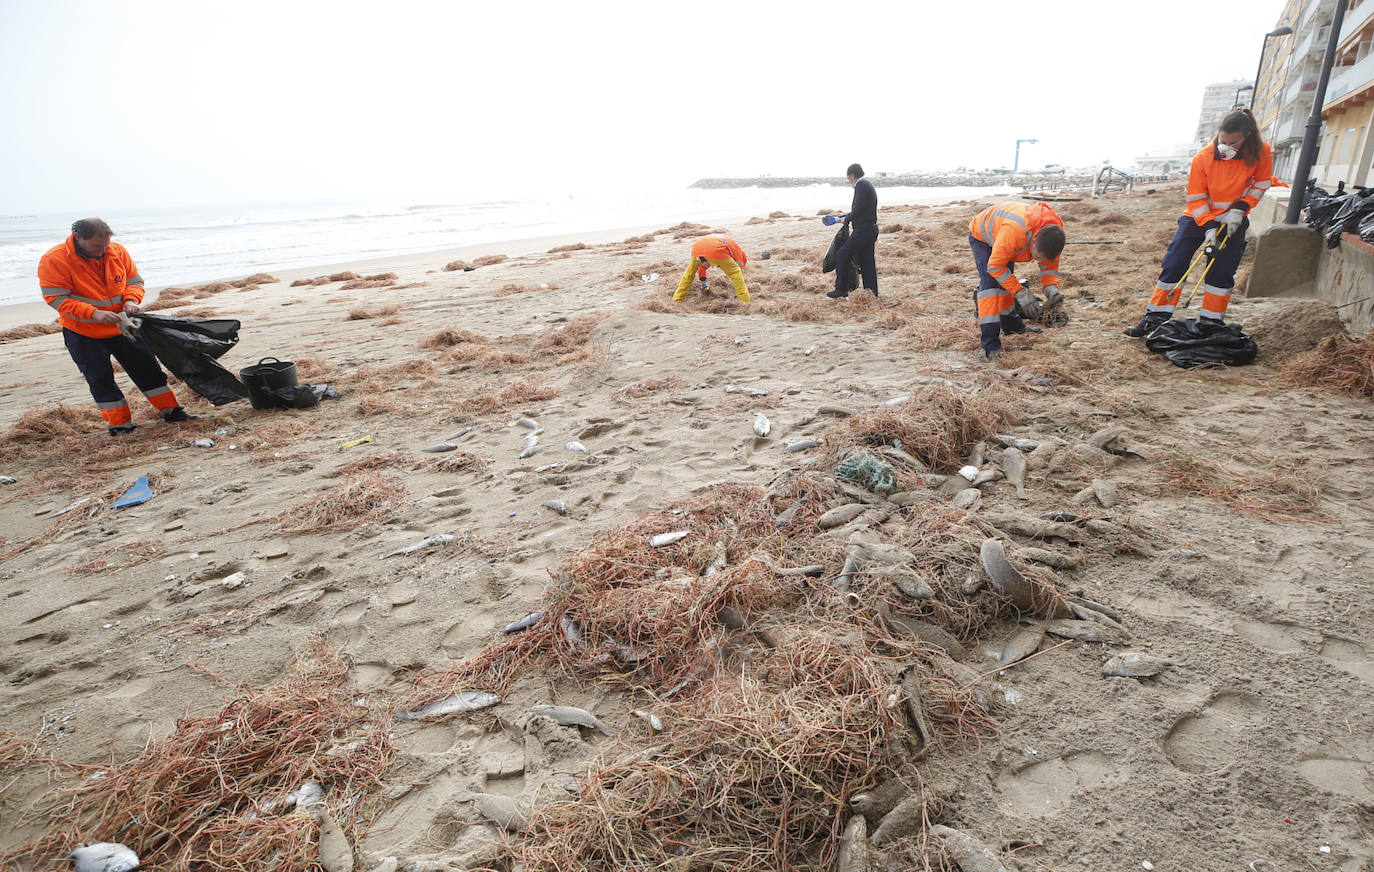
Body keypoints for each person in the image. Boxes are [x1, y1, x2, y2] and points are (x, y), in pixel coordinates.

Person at [38, 218, 195, 435]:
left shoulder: (117, 251)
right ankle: (120, 425)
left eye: (106, 244)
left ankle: (172, 411)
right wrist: (94, 313)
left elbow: (135, 282)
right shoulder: (54, 260)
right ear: (78, 238)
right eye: (97, 246)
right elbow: (56, 298)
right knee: (100, 378)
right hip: (83, 332)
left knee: (148, 369)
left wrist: (132, 300)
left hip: (122, 326)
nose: (103, 250)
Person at [1124, 107, 1273, 337]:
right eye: (1223, 140)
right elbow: (1195, 197)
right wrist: (1209, 224)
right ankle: (1154, 318)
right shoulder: (1203, 157)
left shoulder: (1261, 152)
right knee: (1174, 263)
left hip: (1233, 217)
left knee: (1221, 272)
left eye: (1233, 142)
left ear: (1247, 136)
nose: (1226, 146)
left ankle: (1211, 324)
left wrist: (1241, 209)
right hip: (1196, 217)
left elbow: (1261, 183)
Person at [967, 201, 1066, 358]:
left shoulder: (1053, 236)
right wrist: (1022, 294)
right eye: (1037, 256)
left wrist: (1051, 287)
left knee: (1006, 284)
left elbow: (1049, 265)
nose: (1037, 260)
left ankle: (1012, 327)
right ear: (1033, 241)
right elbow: (995, 267)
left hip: (1004, 237)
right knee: (991, 288)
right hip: (983, 237)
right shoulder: (1015, 233)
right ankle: (990, 345)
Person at [826, 163, 879, 299]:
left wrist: (844, 219)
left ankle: (841, 289)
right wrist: (842, 218)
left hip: (863, 231)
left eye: (848, 178)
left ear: (852, 175)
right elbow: (862, 210)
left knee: (841, 254)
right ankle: (871, 293)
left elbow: (858, 209)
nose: (849, 181)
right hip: (870, 229)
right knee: (867, 262)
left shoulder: (861, 185)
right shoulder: (867, 185)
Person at [673, 234, 750, 303]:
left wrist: (703, 280)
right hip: (715, 249)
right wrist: (740, 270)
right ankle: (744, 300)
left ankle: (677, 299)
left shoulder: (726, 244)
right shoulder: (738, 252)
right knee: (735, 272)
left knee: (689, 274)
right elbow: (737, 269)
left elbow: (703, 266)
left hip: (697, 248)